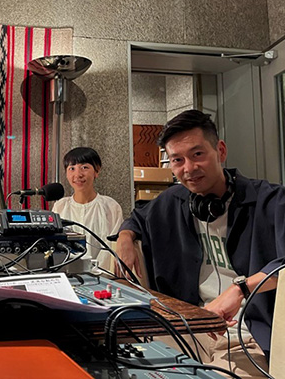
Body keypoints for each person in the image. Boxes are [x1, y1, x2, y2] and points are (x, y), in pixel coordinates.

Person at [116, 110, 284, 375]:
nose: (189, 168)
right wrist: (125, 237)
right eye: (177, 160)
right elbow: (138, 217)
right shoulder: (172, 201)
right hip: (189, 328)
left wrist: (241, 288)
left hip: (247, 338)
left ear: (220, 151)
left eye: (197, 154)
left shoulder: (271, 201)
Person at [52, 147, 123, 270]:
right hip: (67, 274)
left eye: (84, 167)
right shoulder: (60, 207)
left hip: (103, 276)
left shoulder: (111, 207)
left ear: (97, 170)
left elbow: (112, 247)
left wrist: (95, 271)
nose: (78, 175)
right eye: (72, 168)